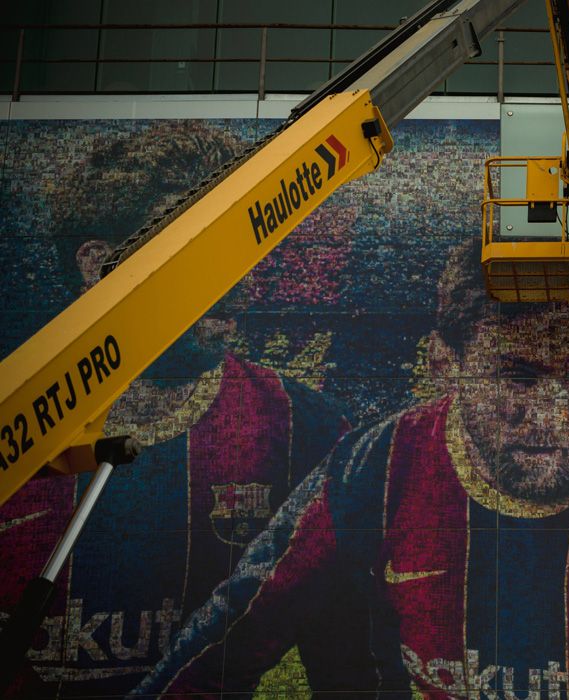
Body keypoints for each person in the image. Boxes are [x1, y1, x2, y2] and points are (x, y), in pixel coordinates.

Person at [133, 239, 569, 697]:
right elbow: (229, 637)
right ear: (446, 365)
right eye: (517, 380)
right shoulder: (376, 468)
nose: (551, 414)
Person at [0, 122, 349, 697]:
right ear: (98, 265)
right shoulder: (19, 426)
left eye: (244, 248)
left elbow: (343, 663)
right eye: (201, 251)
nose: (239, 278)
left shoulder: (307, 431)